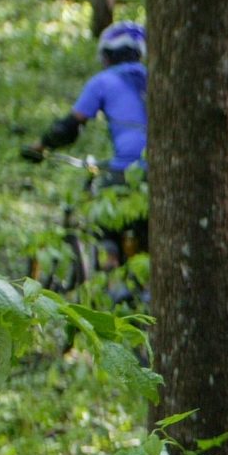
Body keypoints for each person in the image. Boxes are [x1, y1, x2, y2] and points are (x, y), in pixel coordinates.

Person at [24, 21, 149, 291]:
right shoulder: (154, 77)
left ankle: (112, 272)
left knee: (103, 216)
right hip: (161, 171)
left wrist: (40, 147)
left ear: (109, 55)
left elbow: (68, 128)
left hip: (125, 172)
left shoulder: (103, 81)